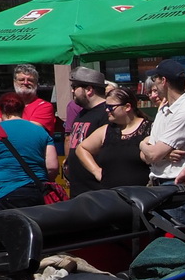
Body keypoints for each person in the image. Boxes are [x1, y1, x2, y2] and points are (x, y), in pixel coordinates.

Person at [0, 92, 58, 209]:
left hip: (7, 192)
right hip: (37, 191)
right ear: (23, 108)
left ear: (0, 110)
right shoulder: (40, 131)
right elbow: (52, 167)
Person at [74, 87, 152, 189]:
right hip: (111, 198)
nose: (107, 110)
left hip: (142, 198)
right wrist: (96, 171)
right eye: (106, 106)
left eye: (111, 107)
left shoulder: (149, 128)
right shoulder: (106, 130)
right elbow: (81, 149)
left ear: (127, 107)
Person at [62, 66, 112, 195]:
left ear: (89, 90)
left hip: (97, 191)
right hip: (78, 189)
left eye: (75, 87)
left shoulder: (106, 114)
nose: (72, 91)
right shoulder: (82, 113)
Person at [11, 63, 59, 140]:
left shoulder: (44, 106)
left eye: (30, 80)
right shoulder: (6, 103)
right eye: (21, 79)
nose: (25, 83)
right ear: (14, 82)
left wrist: (5, 126)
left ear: (36, 83)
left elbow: (32, 131)